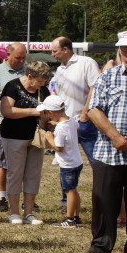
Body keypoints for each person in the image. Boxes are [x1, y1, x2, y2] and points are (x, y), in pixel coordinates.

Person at [78, 30, 127, 253]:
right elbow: (94, 110)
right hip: (109, 151)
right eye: (124, 48)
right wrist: (116, 137)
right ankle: (100, 247)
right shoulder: (107, 76)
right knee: (103, 200)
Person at [0, 60, 53, 225]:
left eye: (44, 83)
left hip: (36, 138)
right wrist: (33, 111)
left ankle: (28, 213)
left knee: (33, 174)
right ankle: (14, 212)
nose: (41, 86)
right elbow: (6, 111)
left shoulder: (43, 90)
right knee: (15, 173)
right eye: (39, 82)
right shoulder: (13, 86)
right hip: (13, 137)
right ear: (29, 76)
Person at [50, 36, 101, 165]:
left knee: (95, 159)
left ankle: (101, 184)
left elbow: (95, 88)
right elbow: (60, 96)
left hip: (85, 122)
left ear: (65, 49)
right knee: (67, 162)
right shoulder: (60, 69)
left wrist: (85, 114)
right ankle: (70, 186)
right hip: (67, 122)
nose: (52, 54)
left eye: (55, 51)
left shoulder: (86, 62)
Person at [39, 95, 84, 228]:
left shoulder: (59, 128)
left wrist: (50, 138)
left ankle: (69, 219)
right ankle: (76, 217)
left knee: (69, 191)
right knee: (74, 190)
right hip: (77, 161)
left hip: (67, 164)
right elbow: (76, 128)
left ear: (51, 113)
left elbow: (59, 147)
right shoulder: (70, 120)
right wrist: (59, 123)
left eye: (47, 113)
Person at [0, 43, 27, 212]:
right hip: (4, 124)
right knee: (4, 162)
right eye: (17, 58)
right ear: (8, 54)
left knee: (24, 164)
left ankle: (23, 197)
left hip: (26, 124)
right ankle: (2, 197)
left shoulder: (28, 70)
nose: (21, 61)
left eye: (23, 58)